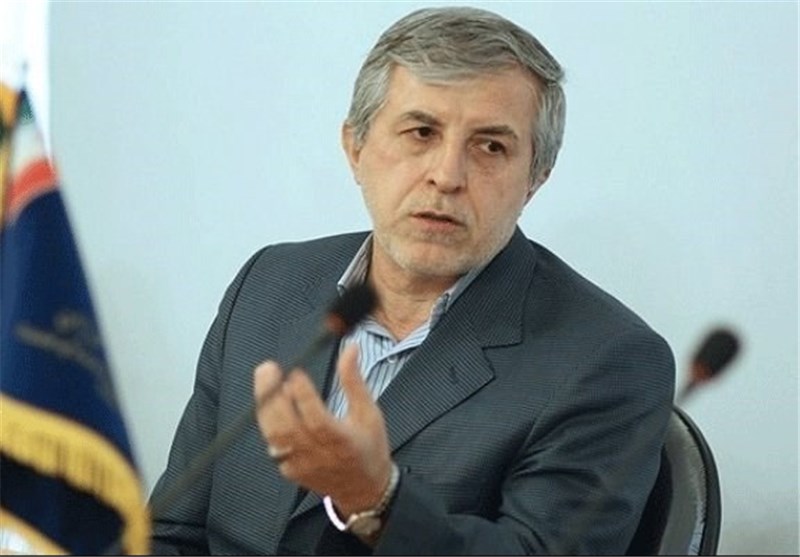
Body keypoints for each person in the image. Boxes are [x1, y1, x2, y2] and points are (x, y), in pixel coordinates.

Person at [149, 6, 675, 555]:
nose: (446, 176)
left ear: (535, 179)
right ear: (355, 149)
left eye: (490, 146)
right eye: (421, 132)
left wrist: (377, 500)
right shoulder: (269, 285)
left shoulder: (607, 361)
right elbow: (172, 533)